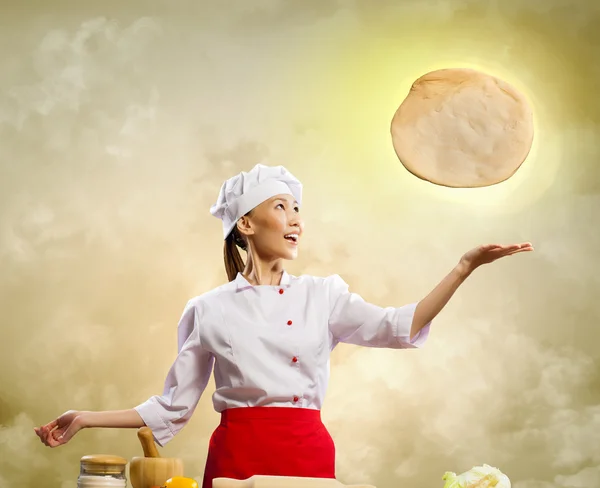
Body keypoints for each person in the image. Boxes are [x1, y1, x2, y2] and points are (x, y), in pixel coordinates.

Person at [34, 164, 534, 487]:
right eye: (281, 207)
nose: (295, 218)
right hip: (238, 453)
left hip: (306, 452)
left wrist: (464, 267)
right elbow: (171, 406)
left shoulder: (325, 294)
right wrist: (84, 417)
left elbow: (400, 326)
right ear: (245, 225)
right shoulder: (207, 309)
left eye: (297, 209)